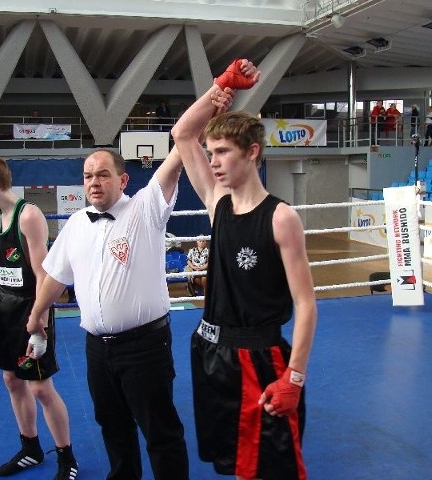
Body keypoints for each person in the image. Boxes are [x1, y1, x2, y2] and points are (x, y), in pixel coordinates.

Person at [26, 86, 235, 480]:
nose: (94, 181)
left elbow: (179, 151)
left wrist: (212, 102)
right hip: (96, 350)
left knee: (161, 432)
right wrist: (37, 315)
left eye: (103, 174)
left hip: (145, 347)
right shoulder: (74, 225)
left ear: (122, 179)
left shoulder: (145, 208)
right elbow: (55, 276)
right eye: (88, 175)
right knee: (113, 427)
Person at [171, 59, 318, 480]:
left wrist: (296, 377)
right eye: (211, 152)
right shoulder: (218, 204)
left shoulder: (280, 217)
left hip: (261, 356)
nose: (212, 161)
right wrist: (218, 87)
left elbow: (306, 304)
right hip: (211, 351)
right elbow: (183, 134)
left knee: (273, 466)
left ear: (252, 152)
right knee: (235, 463)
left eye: (222, 152)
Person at [0, 152, 78, 479]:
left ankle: (67, 458)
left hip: (30, 307)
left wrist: (39, 325)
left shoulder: (29, 216)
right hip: (4, 308)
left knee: (40, 388)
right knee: (11, 380)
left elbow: (43, 275)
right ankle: (31, 448)